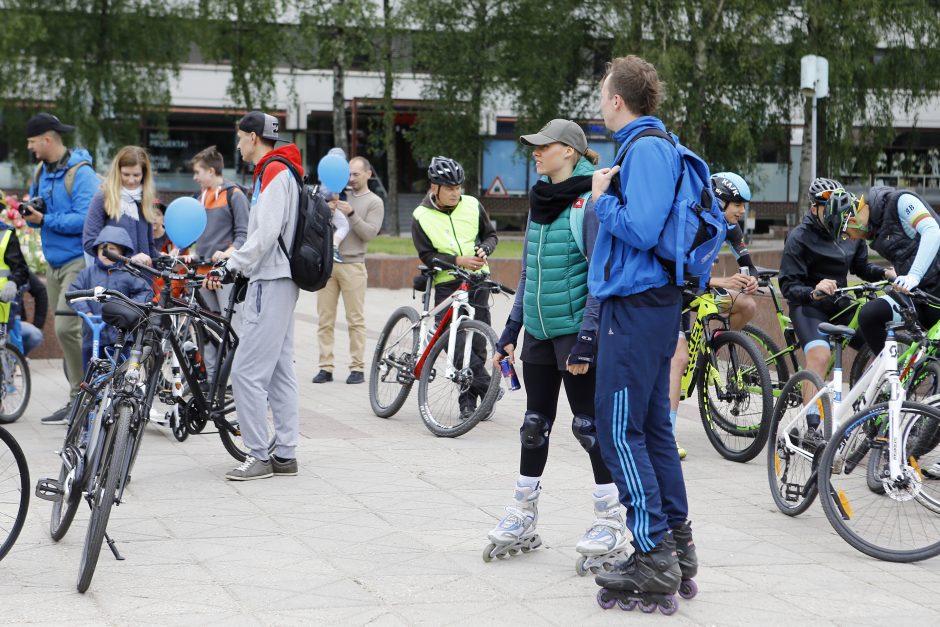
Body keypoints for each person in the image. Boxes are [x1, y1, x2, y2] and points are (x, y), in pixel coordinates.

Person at [485, 119, 627, 570]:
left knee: (588, 427)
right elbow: (529, 270)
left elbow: (599, 275)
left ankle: (611, 518)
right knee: (533, 425)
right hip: (539, 336)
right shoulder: (539, 202)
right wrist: (510, 333)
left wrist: (587, 339)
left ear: (568, 150)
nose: (535, 153)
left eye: (542, 147)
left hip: (575, 334)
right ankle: (523, 514)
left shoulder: (590, 203)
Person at [587, 55, 694, 602]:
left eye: (603, 91)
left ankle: (654, 555)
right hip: (650, 305)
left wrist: (602, 201)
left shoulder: (646, 149)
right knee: (652, 431)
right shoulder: (652, 147)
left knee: (617, 430)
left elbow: (644, 226)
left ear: (617, 100)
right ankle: (677, 545)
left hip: (636, 307)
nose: (600, 99)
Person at [204, 111, 301, 481]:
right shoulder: (282, 170)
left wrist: (232, 264)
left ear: (254, 137)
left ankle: (259, 455)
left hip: (271, 278)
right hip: (281, 278)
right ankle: (285, 454)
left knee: (245, 372)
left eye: (240, 137)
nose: (238, 144)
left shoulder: (274, 171)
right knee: (279, 371)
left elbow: (264, 236)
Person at [778, 181, 892, 439]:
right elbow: (788, 285)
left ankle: (868, 406)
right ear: (814, 207)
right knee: (820, 356)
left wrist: (886, 273)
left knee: (882, 346)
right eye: (826, 207)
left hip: (840, 304)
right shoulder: (799, 237)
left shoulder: (847, 231)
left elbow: (862, 268)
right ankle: (811, 428)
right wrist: (813, 290)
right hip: (808, 305)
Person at [667, 172, 759, 459]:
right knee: (679, 359)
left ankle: (715, 346)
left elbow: (747, 264)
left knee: (746, 305)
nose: (741, 211)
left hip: (699, 290)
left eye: (744, 205)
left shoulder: (730, 225)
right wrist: (721, 282)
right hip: (673, 293)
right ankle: (666, 435)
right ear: (720, 202)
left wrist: (751, 279)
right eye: (737, 205)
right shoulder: (694, 225)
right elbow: (675, 272)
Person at [24, 113, 99, 424]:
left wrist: (45, 220)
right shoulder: (42, 170)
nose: (30, 148)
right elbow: (39, 203)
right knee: (72, 331)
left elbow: (86, 218)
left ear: (47, 139)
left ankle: (82, 397)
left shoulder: (81, 173)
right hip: (53, 263)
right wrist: (31, 211)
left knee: (67, 329)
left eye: (31, 142)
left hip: (76, 262)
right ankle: (81, 396)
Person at [411, 156, 498, 417]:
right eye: (449, 188)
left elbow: (491, 235)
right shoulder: (421, 216)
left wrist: (485, 249)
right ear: (434, 187)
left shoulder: (472, 205)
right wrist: (457, 261)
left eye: (458, 187)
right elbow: (426, 255)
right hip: (448, 284)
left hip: (478, 281)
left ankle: (469, 402)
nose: (455, 193)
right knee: (457, 346)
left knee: (478, 344)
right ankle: (488, 387)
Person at [842, 186, 940, 355]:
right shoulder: (876, 232)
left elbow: (932, 231)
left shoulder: (900, 201)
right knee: (869, 315)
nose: (850, 238)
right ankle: (894, 377)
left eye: (845, 233)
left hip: (934, 290)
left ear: (851, 219)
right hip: (919, 296)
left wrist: (913, 276)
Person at [313, 156, 385, 385]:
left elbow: (370, 234)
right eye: (349, 174)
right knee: (325, 319)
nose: (351, 179)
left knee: (355, 320)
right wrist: (326, 209)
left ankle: (357, 367)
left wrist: (352, 214)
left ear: (368, 174)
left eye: (356, 174)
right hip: (328, 264)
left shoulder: (374, 202)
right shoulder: (335, 193)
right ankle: (325, 367)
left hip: (354, 264)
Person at [191, 145, 249, 382]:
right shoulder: (200, 198)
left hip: (226, 274)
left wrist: (227, 253)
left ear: (211, 171)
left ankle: (240, 380)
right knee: (208, 329)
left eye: (198, 172)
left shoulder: (234, 194)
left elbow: (244, 235)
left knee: (234, 329)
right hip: (203, 273)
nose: (195, 177)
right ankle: (213, 380)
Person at [69, 226, 153, 369]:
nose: (106, 252)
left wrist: (129, 308)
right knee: (90, 371)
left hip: (120, 336)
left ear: (122, 251)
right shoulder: (88, 274)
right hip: (93, 334)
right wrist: (86, 311)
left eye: (112, 248)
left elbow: (145, 292)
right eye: (102, 248)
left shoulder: (127, 274)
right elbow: (74, 291)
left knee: (120, 372)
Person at [83, 145, 159, 267]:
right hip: (112, 278)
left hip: (142, 281)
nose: (131, 180)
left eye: (136, 175)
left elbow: (149, 248)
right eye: (126, 174)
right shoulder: (103, 197)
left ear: (144, 174)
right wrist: (128, 259)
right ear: (117, 172)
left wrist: (166, 260)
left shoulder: (145, 199)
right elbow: (90, 243)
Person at [10, 270, 48, 357]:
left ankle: (19, 361)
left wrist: (38, 324)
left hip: (14, 321)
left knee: (35, 334)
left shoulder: (16, 267)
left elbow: (41, 291)